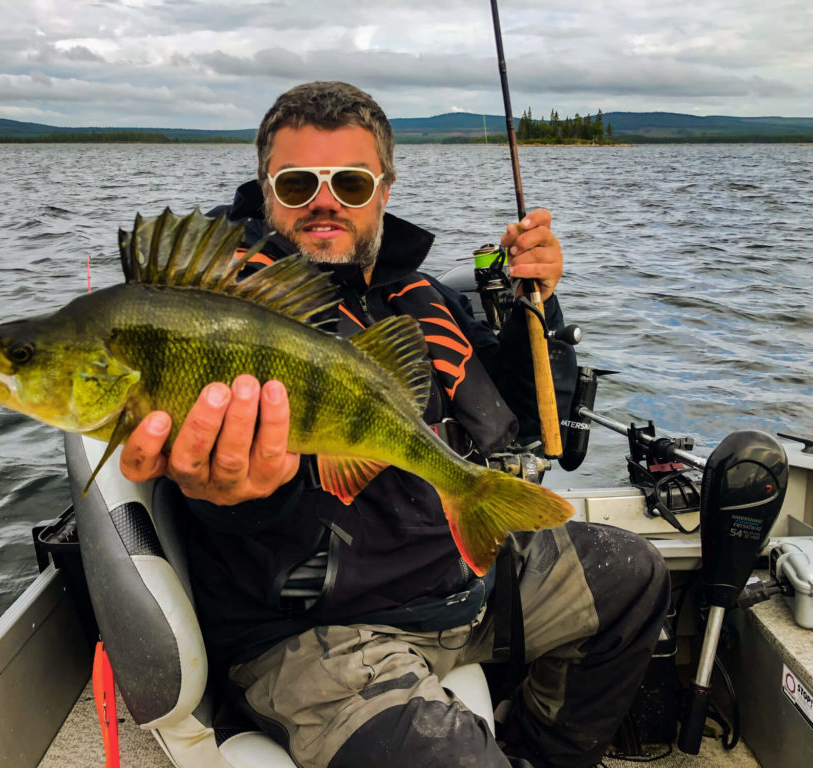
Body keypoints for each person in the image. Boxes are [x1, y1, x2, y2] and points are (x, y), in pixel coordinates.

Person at [119, 81, 669, 768]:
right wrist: (240, 493)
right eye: (297, 184)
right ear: (265, 191)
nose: (325, 200)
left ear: (384, 189)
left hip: (459, 586)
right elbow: (229, 506)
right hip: (315, 636)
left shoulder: (420, 297)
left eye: (350, 181)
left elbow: (520, 416)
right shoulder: (223, 310)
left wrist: (540, 309)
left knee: (635, 574)